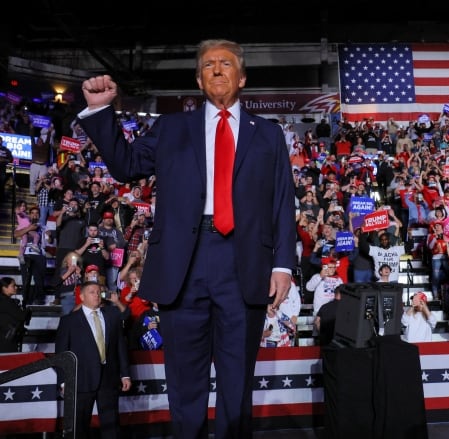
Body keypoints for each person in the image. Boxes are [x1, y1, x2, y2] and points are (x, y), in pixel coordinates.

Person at [77, 38, 297, 438]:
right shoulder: (172, 127)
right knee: (185, 383)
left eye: (225, 63)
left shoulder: (268, 134)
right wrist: (99, 110)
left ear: (242, 77)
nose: (216, 68)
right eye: (208, 64)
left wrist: (282, 265)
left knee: (236, 384)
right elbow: (126, 166)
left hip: (244, 264)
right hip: (184, 263)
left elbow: (282, 202)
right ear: (198, 78)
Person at [54, 281, 132, 438]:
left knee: (112, 426)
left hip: (108, 379)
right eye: (92, 292)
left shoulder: (113, 315)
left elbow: (120, 347)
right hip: (81, 380)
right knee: (80, 427)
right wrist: (63, 381)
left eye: (98, 291)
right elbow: (61, 354)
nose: (96, 294)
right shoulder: (69, 321)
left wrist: (125, 374)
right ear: (81, 296)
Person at [0, 277, 30, 353]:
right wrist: (28, 311)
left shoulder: (5, 300)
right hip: (7, 338)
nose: (16, 287)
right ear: (4, 288)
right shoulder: (6, 301)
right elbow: (21, 316)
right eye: (13, 286)